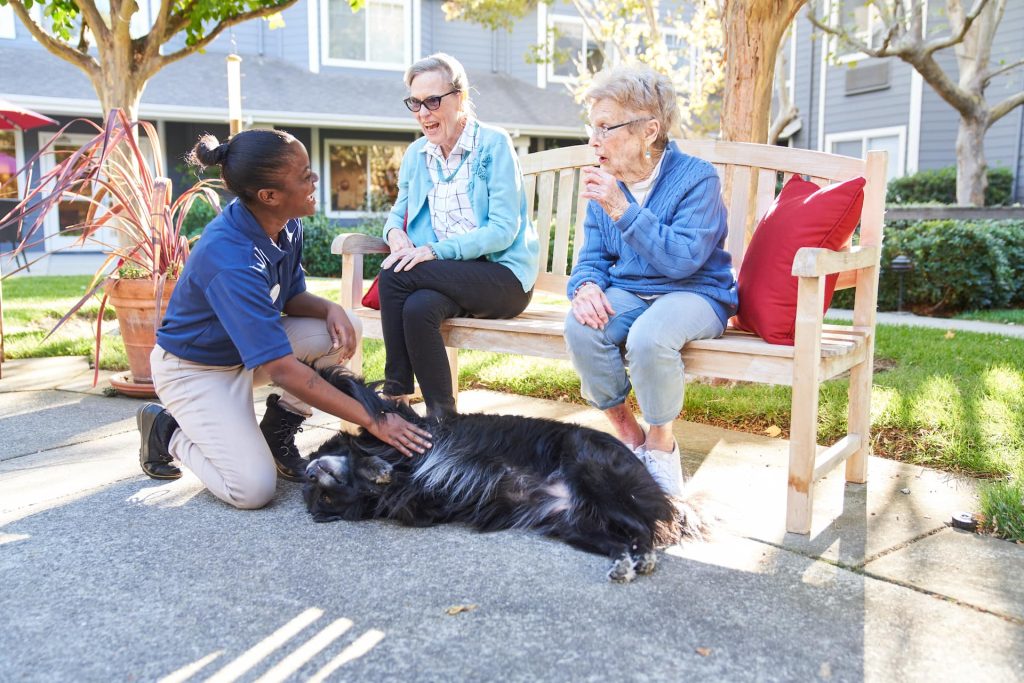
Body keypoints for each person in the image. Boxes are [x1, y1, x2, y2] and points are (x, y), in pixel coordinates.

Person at [137, 129, 431, 510]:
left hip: (244, 354)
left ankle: (276, 435)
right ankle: (168, 430)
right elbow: (284, 370)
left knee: (343, 330)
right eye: (305, 175)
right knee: (252, 490)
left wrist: (329, 308)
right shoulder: (230, 259)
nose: (315, 181)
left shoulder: (285, 224)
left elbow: (289, 297)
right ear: (269, 195)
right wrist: (374, 421)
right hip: (195, 370)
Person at [564, 65, 738, 497]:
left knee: (648, 338)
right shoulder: (608, 182)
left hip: (695, 292)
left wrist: (622, 208)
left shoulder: (696, 178)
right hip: (631, 292)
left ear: (649, 130)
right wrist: (584, 287)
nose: (594, 140)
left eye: (605, 127)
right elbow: (593, 258)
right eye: (593, 127)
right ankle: (628, 438)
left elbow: (682, 260)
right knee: (580, 327)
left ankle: (661, 447)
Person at [377, 53, 540, 418]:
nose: (423, 113)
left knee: (394, 274)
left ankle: (394, 398)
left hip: (503, 279)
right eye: (415, 103)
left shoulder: (493, 144)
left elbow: (502, 230)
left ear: (461, 97)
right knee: (418, 307)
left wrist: (434, 251)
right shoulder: (417, 154)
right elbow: (398, 211)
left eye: (433, 101)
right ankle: (444, 422)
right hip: (450, 278)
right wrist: (394, 235)